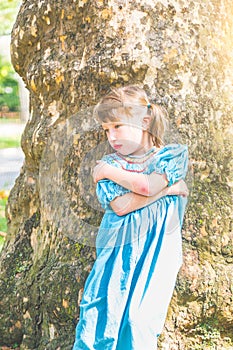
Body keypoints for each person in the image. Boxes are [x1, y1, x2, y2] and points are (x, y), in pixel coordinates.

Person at [72, 85, 189, 350]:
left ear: (144, 121)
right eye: (106, 130)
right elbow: (123, 205)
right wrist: (170, 189)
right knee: (104, 316)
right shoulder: (110, 165)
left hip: (158, 252)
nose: (111, 136)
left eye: (117, 126)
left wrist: (161, 186)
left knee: (139, 322)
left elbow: (147, 186)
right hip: (118, 253)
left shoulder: (169, 157)